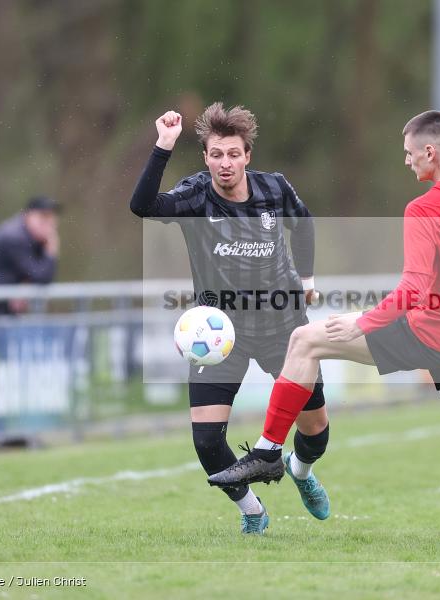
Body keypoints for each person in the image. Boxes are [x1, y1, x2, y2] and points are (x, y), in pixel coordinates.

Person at [209, 110, 440, 548]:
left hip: (426, 332)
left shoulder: (424, 209)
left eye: (409, 154)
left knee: (303, 339)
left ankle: (268, 453)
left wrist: (362, 323)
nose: (407, 162)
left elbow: (414, 288)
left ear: (430, 151)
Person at [130, 103, 330, 535]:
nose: (225, 163)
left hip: (284, 326)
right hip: (220, 333)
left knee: (316, 432)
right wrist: (163, 146)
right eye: (216, 154)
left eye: (233, 154)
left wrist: (307, 277)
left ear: (247, 156)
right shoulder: (195, 195)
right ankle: (253, 511)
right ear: (205, 157)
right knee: (206, 440)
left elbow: (305, 224)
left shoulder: (274, 189)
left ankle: (300, 472)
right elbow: (142, 207)